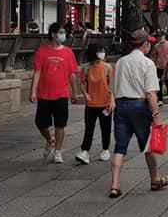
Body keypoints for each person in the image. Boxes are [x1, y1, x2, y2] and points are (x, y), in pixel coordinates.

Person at [109, 28, 168, 197]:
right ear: (144, 44)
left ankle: (115, 185)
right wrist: (156, 115)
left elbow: (113, 88)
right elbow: (150, 93)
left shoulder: (120, 62)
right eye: (149, 43)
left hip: (122, 106)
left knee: (120, 146)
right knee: (147, 146)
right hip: (139, 107)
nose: (150, 46)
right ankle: (155, 178)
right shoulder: (147, 63)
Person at [30, 22, 82, 164]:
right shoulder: (42, 51)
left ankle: (58, 151)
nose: (63, 35)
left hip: (62, 94)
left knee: (60, 124)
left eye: (63, 32)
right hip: (44, 94)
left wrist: (74, 93)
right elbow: (37, 72)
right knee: (40, 123)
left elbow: (72, 74)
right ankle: (50, 139)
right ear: (53, 34)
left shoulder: (68, 52)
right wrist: (33, 91)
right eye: (60, 32)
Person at [76, 43, 114, 165]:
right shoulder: (86, 68)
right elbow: (81, 82)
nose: (102, 53)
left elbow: (112, 86)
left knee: (106, 128)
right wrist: (85, 94)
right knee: (89, 128)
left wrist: (112, 100)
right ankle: (85, 151)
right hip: (91, 104)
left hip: (105, 103)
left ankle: (105, 149)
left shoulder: (108, 67)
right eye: (100, 50)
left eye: (103, 50)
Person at [151, 32, 168, 103]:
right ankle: (160, 99)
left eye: (161, 36)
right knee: (159, 83)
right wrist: (154, 64)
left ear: (164, 36)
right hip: (159, 66)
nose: (160, 38)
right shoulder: (156, 46)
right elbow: (154, 56)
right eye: (158, 36)